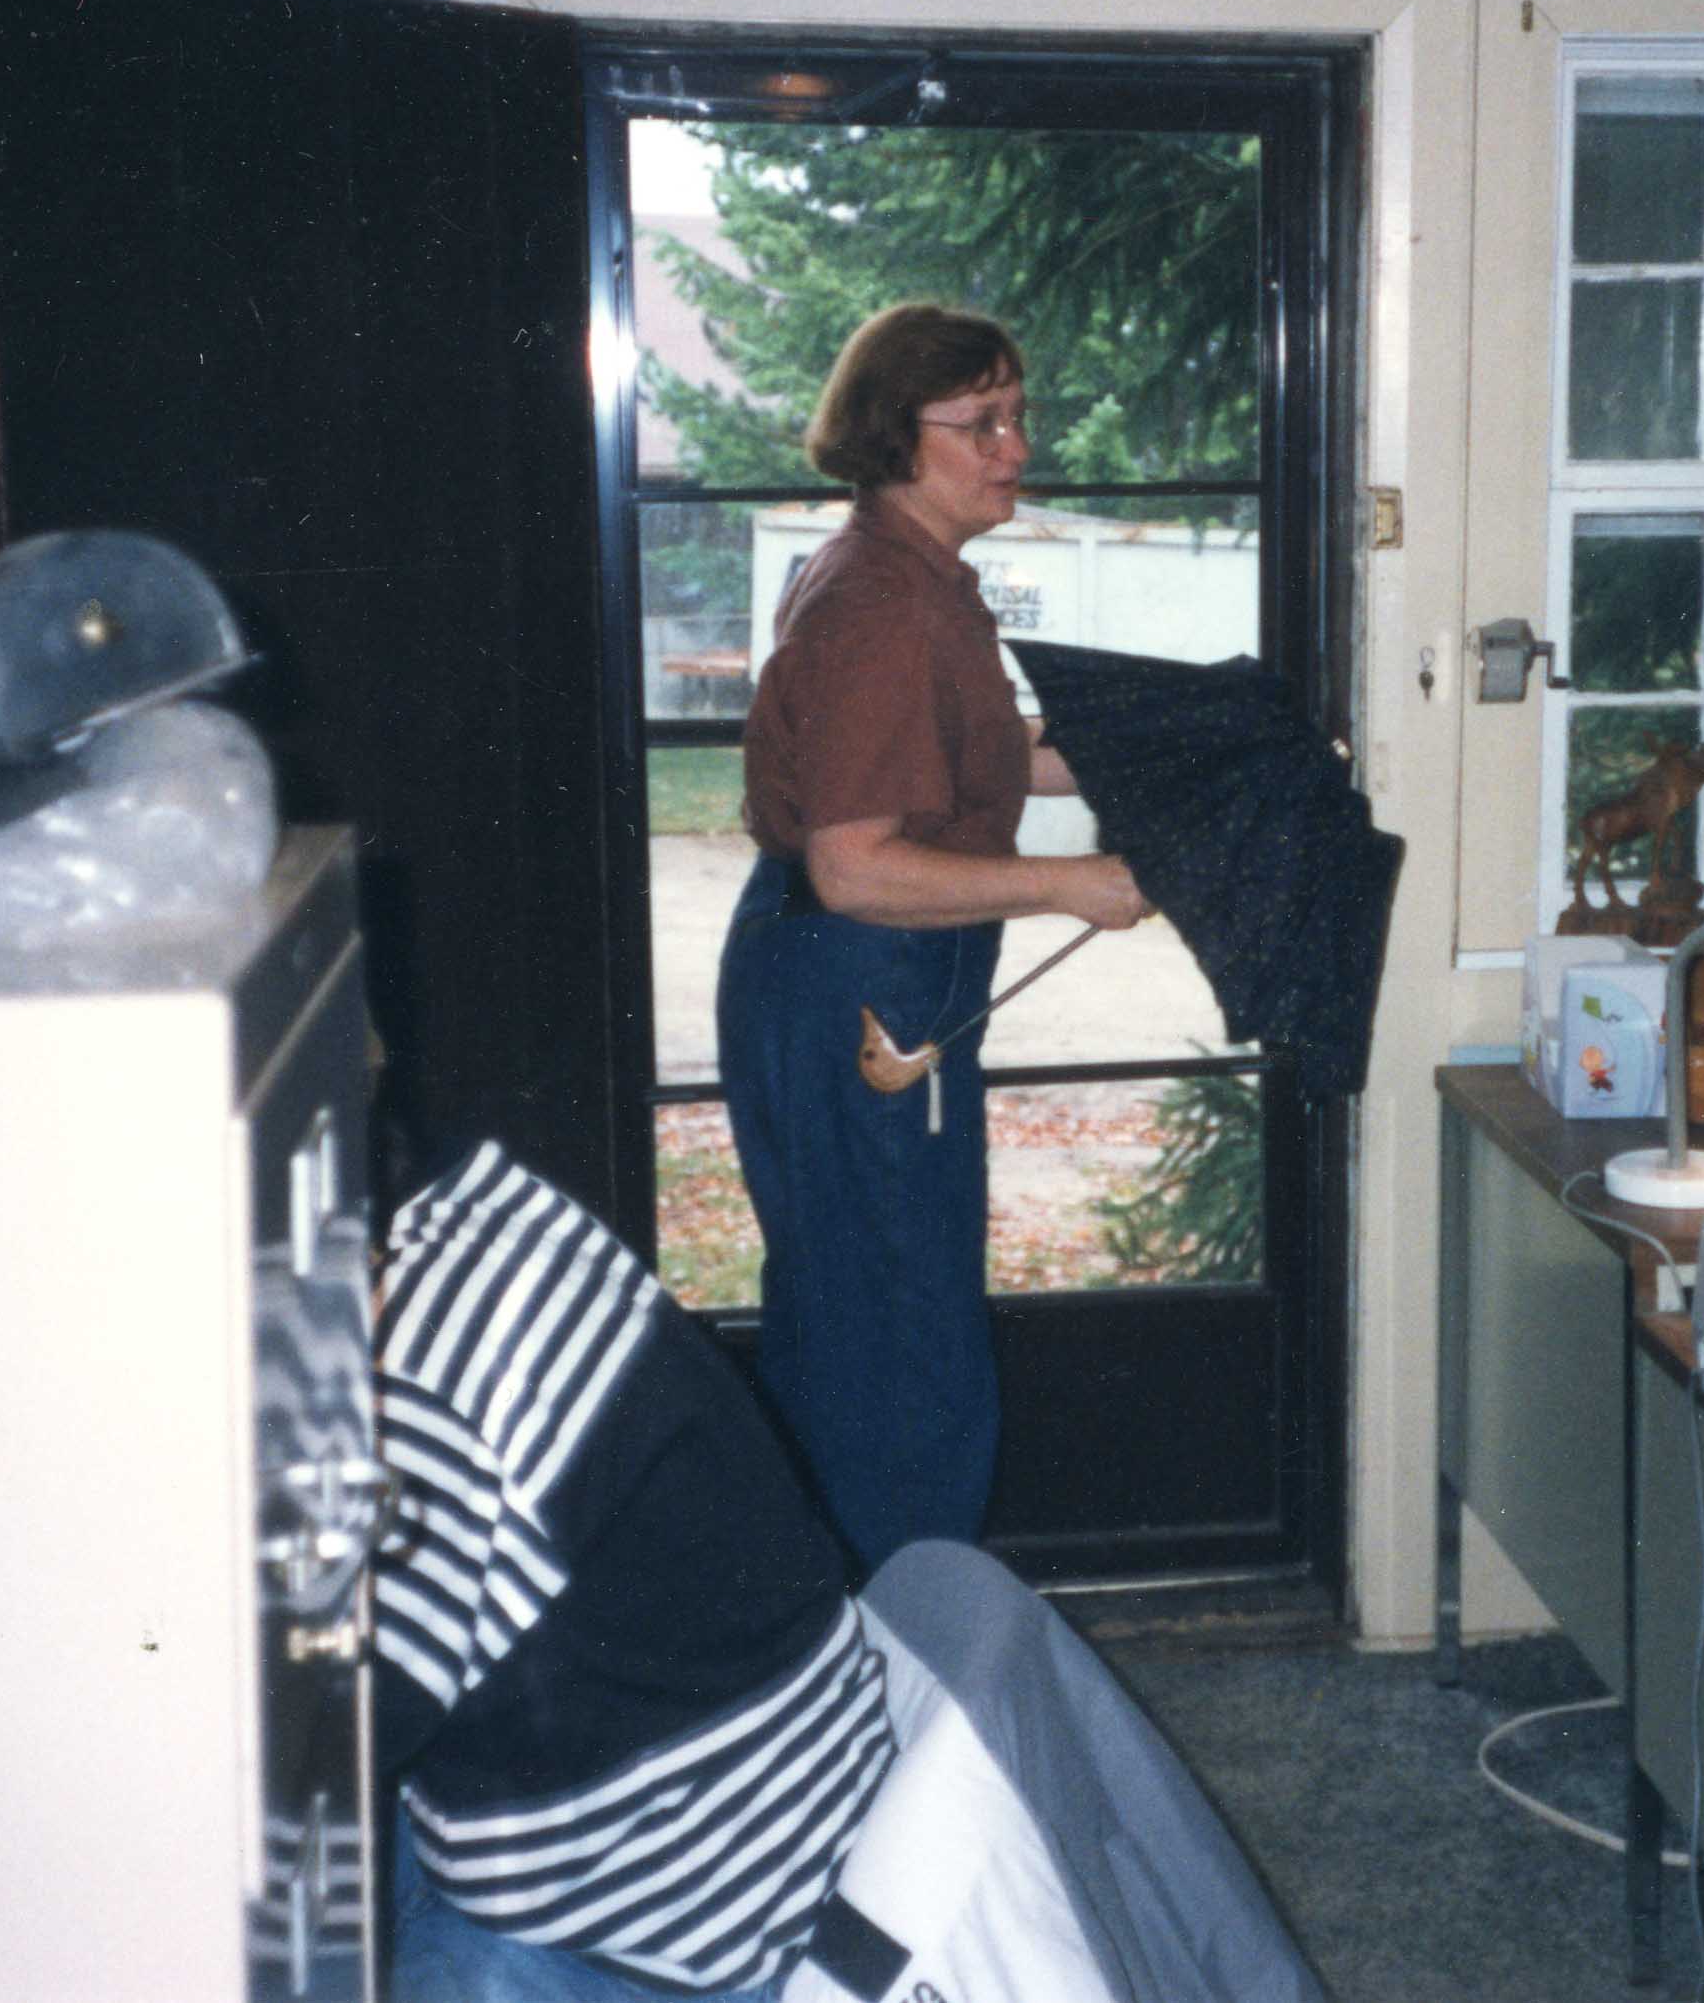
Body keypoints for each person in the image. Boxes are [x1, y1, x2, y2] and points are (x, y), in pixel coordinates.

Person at [721, 303, 1149, 1573]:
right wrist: (1070, 881)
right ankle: (903, 1671)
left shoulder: (903, 574)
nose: (1017, 445)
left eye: (1017, 413)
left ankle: (852, 1641)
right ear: (894, 437)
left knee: (852, 1316)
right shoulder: (885, 609)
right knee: (897, 1337)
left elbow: (977, 748)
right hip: (861, 980)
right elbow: (855, 864)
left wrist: (1162, 767)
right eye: (983, 422)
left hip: (851, 979)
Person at [373, 1140, 893, 2001]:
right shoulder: (474, 1215)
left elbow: (306, 1738)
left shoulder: (413, 1401)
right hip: (784, 1825)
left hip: (679, 1938)